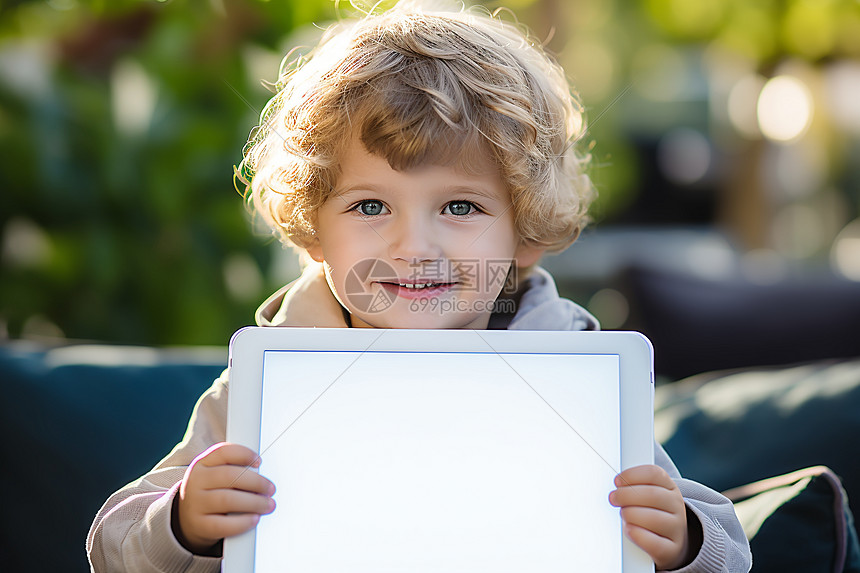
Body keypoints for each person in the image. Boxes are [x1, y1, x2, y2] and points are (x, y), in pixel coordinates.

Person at [87, 2, 752, 571]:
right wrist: (182, 519)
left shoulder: (573, 367)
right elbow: (110, 544)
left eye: (460, 208)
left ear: (526, 234)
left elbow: (729, 540)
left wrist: (683, 537)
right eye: (370, 207)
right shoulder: (270, 378)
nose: (414, 248)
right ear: (312, 230)